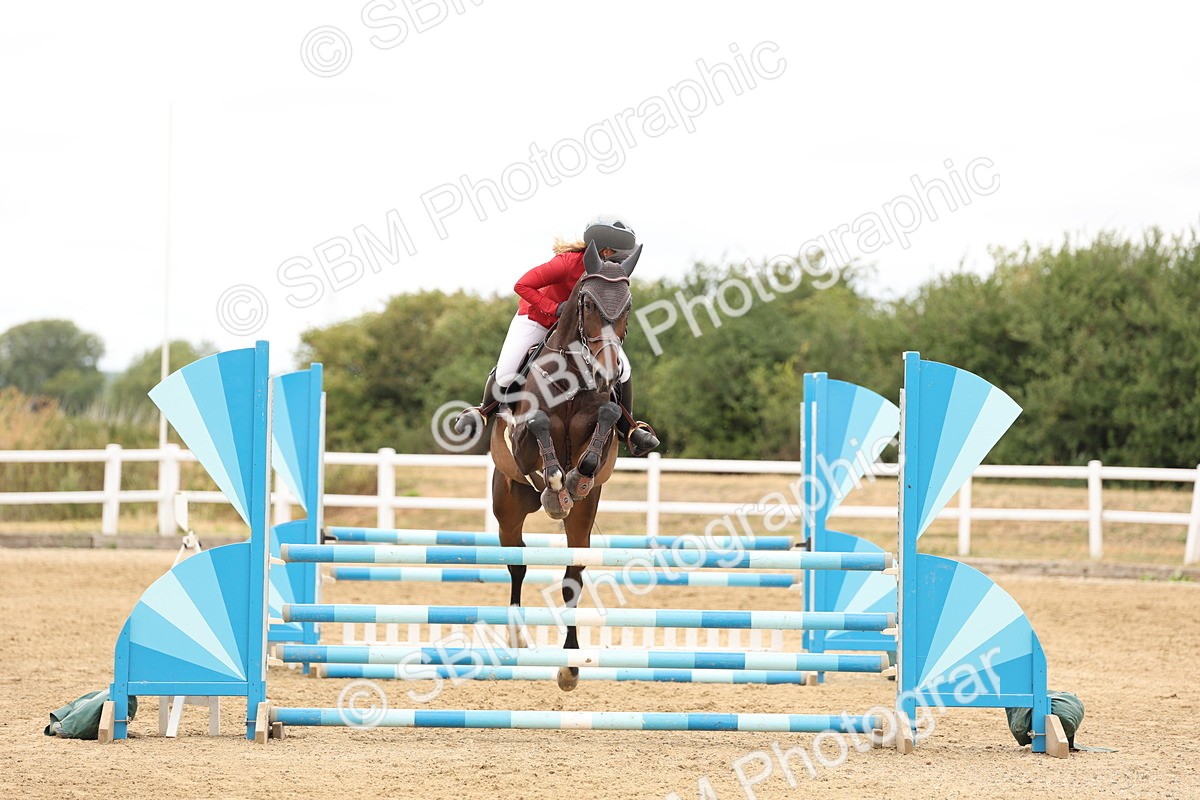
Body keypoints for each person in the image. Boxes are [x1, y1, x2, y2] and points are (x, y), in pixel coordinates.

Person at [454, 214, 660, 456]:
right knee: (507, 371)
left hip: (583, 330)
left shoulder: (611, 274)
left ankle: (629, 427)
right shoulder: (565, 264)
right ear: (605, 252)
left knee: (622, 368)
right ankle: (483, 411)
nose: (622, 263)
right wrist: (554, 308)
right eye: (619, 256)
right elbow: (522, 285)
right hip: (538, 318)